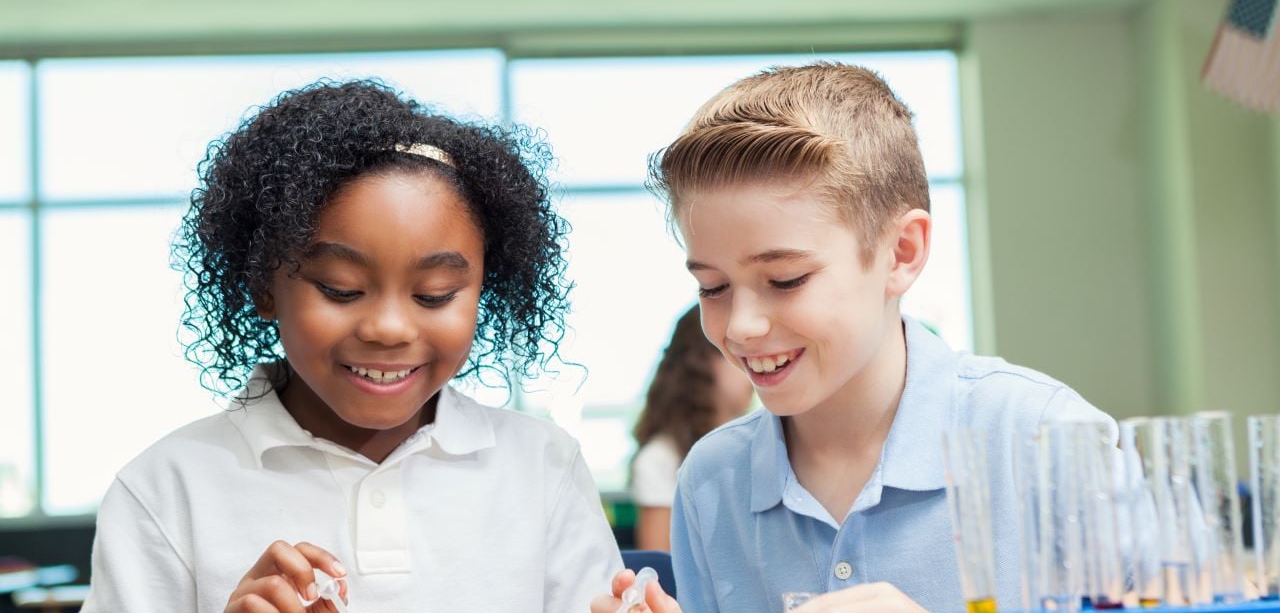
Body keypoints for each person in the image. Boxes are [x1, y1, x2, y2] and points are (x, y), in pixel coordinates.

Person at [79, 80, 622, 613]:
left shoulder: (542, 468)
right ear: (264, 287)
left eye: (434, 296)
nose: (388, 328)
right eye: (341, 289)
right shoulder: (166, 490)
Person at [590, 62, 1114, 613]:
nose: (741, 325)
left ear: (901, 253)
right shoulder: (710, 481)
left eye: (785, 280)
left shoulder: (1044, 438)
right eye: (713, 286)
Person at [630, 304, 754, 551]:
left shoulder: (764, 442)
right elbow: (663, 569)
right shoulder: (661, 458)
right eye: (737, 354)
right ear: (701, 362)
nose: (752, 366)